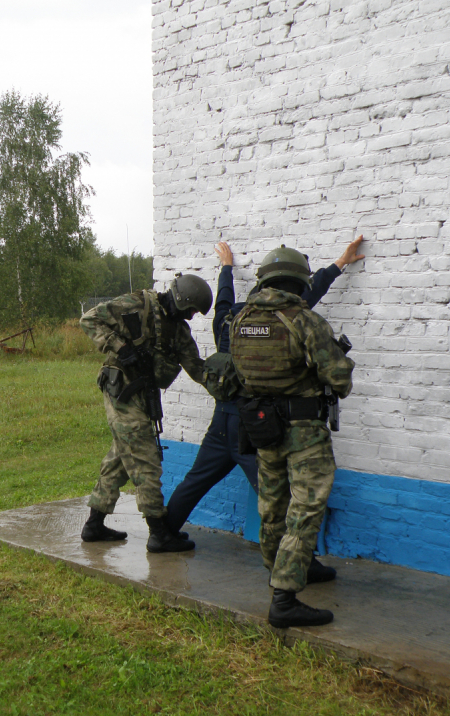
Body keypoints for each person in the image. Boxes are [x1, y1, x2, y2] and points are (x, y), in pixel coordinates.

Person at [165, 237, 364, 586]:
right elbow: (308, 294)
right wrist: (338, 264)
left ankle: (162, 531)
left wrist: (226, 267)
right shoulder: (285, 319)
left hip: (226, 418)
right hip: (257, 421)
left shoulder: (233, 320)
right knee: (281, 499)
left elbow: (225, 296)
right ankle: (300, 564)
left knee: (198, 480)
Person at [229, 247, 355, 628]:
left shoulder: (240, 320)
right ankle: (284, 597)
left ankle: (285, 570)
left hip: (264, 428)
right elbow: (340, 380)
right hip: (304, 433)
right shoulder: (305, 321)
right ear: (300, 281)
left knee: (272, 507)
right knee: (305, 509)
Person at [79, 272, 213, 553]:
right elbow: (88, 319)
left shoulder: (178, 331)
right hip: (121, 392)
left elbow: (198, 370)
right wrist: (120, 347)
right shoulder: (136, 304)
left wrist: (233, 384)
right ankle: (159, 532)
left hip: (142, 396)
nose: (189, 317)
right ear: (180, 298)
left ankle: (94, 524)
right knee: (145, 460)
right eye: (189, 310)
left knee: (120, 459)